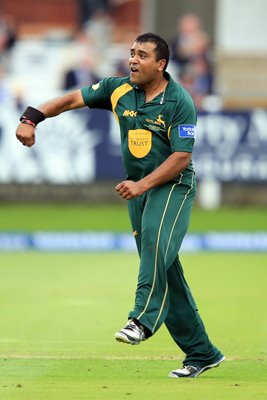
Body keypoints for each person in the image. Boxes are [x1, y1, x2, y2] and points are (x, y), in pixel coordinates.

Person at [16, 32, 224, 378]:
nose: (132, 60)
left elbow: (181, 156)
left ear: (161, 65)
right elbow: (70, 101)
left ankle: (141, 320)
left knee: (156, 244)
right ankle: (201, 352)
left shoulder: (179, 101)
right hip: (139, 192)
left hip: (174, 186)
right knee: (164, 270)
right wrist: (31, 117)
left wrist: (142, 184)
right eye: (131, 53)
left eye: (142, 55)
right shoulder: (117, 89)